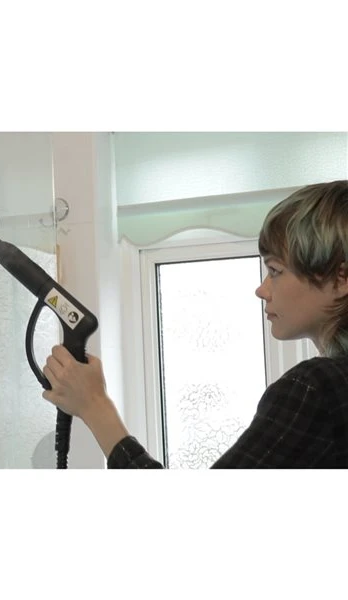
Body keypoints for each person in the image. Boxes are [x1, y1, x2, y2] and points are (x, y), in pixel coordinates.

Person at [41, 180, 348, 468]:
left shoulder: (317, 388)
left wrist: (94, 405)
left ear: (341, 278)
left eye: (276, 271)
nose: (262, 290)